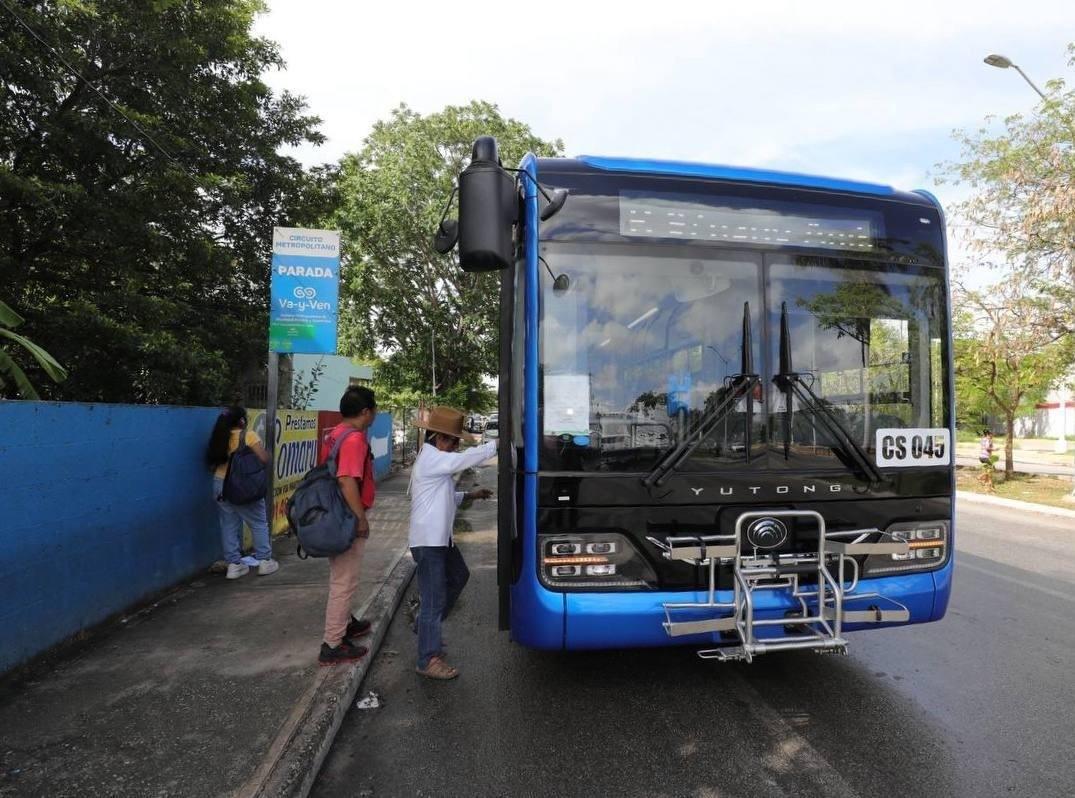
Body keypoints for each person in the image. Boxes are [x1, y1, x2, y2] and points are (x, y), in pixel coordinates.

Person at [409, 406, 496, 680]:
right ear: (439, 438)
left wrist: (471, 495)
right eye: (454, 441)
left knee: (459, 576)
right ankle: (427, 659)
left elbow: (445, 494)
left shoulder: (434, 459)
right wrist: (500, 444)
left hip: (439, 539)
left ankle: (426, 629)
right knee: (434, 601)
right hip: (429, 542)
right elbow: (467, 460)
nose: (456, 447)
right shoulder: (432, 458)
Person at [318, 386, 379, 666]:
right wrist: (360, 519)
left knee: (341, 575)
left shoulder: (335, 433)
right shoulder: (354, 439)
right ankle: (333, 643)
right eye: (374, 409)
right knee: (345, 580)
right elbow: (346, 480)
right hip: (346, 517)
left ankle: (346, 622)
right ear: (366, 412)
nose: (374, 415)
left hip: (335, 514)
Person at [206, 406, 278, 579]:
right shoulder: (248, 435)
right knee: (258, 522)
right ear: (242, 421)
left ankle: (234, 565)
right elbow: (263, 458)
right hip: (242, 486)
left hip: (219, 485)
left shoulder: (218, 438)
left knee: (228, 525)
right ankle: (264, 561)